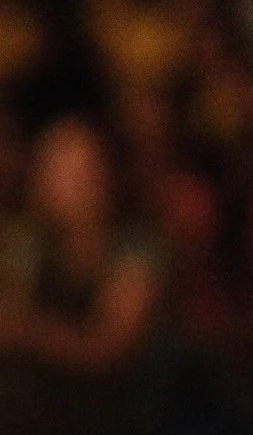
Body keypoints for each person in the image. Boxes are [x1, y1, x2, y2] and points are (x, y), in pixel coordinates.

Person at [0, 115, 163, 434]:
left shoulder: (134, 249)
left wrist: (23, 330)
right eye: (54, 167)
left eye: (76, 172)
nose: (62, 183)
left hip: (114, 416)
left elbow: (109, 348)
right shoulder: (28, 243)